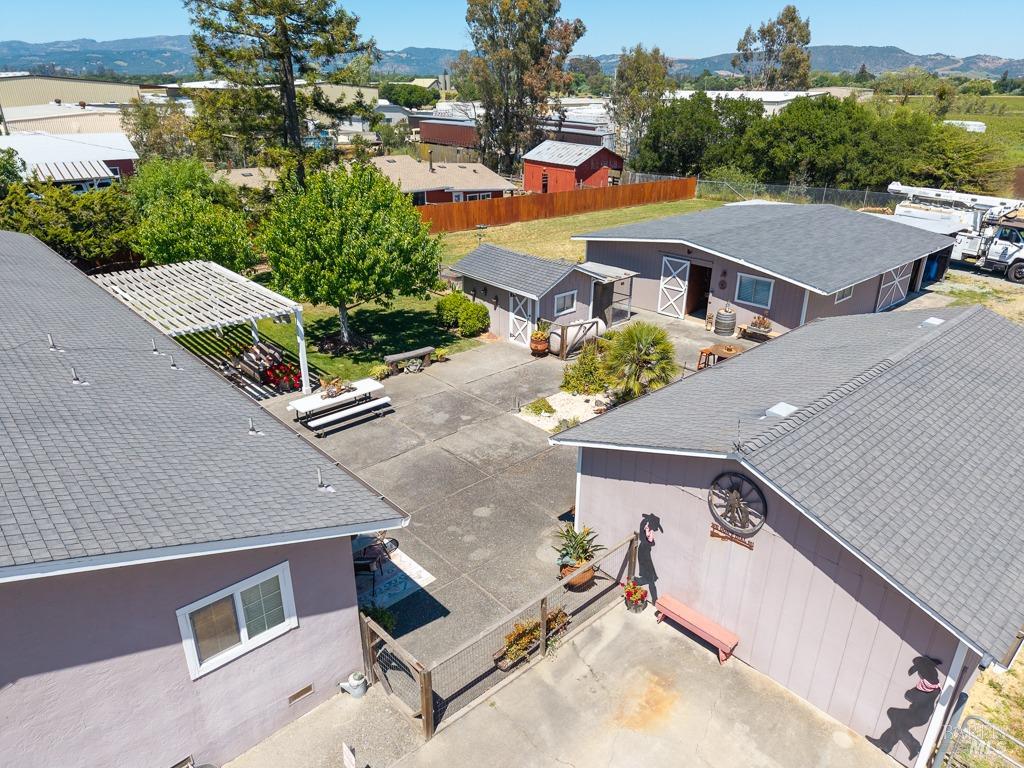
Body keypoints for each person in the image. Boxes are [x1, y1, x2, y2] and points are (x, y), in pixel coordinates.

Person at [867, 656, 944, 760]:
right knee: (897, 724)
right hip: (916, 713)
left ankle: (914, 745)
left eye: (920, 671)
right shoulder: (929, 683)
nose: (919, 674)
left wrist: (912, 693)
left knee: (894, 715)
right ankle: (887, 746)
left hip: (919, 715)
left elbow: (910, 695)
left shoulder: (930, 684)